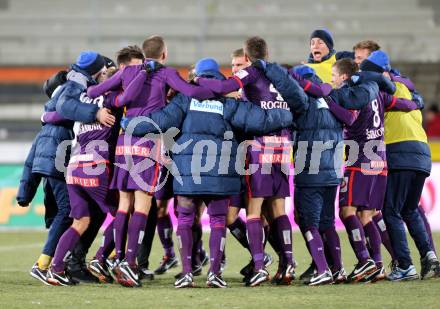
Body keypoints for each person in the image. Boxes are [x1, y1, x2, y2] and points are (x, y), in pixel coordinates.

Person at [121, 57, 294, 288]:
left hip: (187, 174)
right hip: (221, 176)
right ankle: (214, 274)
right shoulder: (228, 102)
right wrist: (290, 113)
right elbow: (261, 121)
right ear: (218, 77)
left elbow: (158, 121)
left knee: (184, 220)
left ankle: (186, 274)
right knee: (218, 222)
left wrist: (128, 122)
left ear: (197, 76)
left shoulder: (185, 99)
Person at [87, 35, 214, 287]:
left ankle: (118, 258)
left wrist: (110, 101)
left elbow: (93, 91)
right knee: (143, 206)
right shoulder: (167, 73)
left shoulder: (128, 72)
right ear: (164, 54)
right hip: (148, 143)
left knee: (125, 204)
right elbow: (192, 92)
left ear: (144, 55)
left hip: (124, 142)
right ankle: (131, 263)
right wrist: (211, 87)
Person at [255, 58, 380, 285]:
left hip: (310, 169)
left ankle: (322, 268)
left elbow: (288, 97)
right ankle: (338, 269)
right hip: (333, 169)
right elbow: (351, 116)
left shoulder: (302, 101)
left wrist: (269, 67)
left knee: (306, 220)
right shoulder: (333, 98)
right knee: (327, 222)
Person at [195, 37, 308, 286]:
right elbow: (301, 100)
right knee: (278, 210)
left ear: (247, 57)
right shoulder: (282, 74)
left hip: (259, 148)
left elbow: (226, 86)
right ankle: (287, 264)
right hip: (283, 147)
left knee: (255, 209)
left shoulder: (251, 73)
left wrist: (200, 82)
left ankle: (259, 265)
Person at [16, 51, 115, 285]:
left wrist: (25, 189)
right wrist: (96, 112)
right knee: (66, 213)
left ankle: (68, 262)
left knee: (75, 214)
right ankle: (44, 265)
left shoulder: (67, 95)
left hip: (59, 159)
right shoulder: (72, 93)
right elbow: (63, 111)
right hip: (60, 158)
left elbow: (51, 120)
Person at [331, 57, 421, 283]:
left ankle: (365, 261)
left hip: (360, 158)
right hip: (380, 161)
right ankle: (378, 266)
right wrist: (416, 101)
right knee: (367, 215)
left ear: (343, 76)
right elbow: (405, 104)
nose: (331, 80)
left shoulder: (352, 95)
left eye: (333, 76)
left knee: (347, 212)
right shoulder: (379, 95)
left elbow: (349, 119)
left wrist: (327, 102)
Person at [359, 51, 440, 281]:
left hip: (398, 151)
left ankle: (405, 265)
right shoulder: (404, 87)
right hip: (422, 151)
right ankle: (430, 257)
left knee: (391, 210)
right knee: (409, 209)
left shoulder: (377, 87)